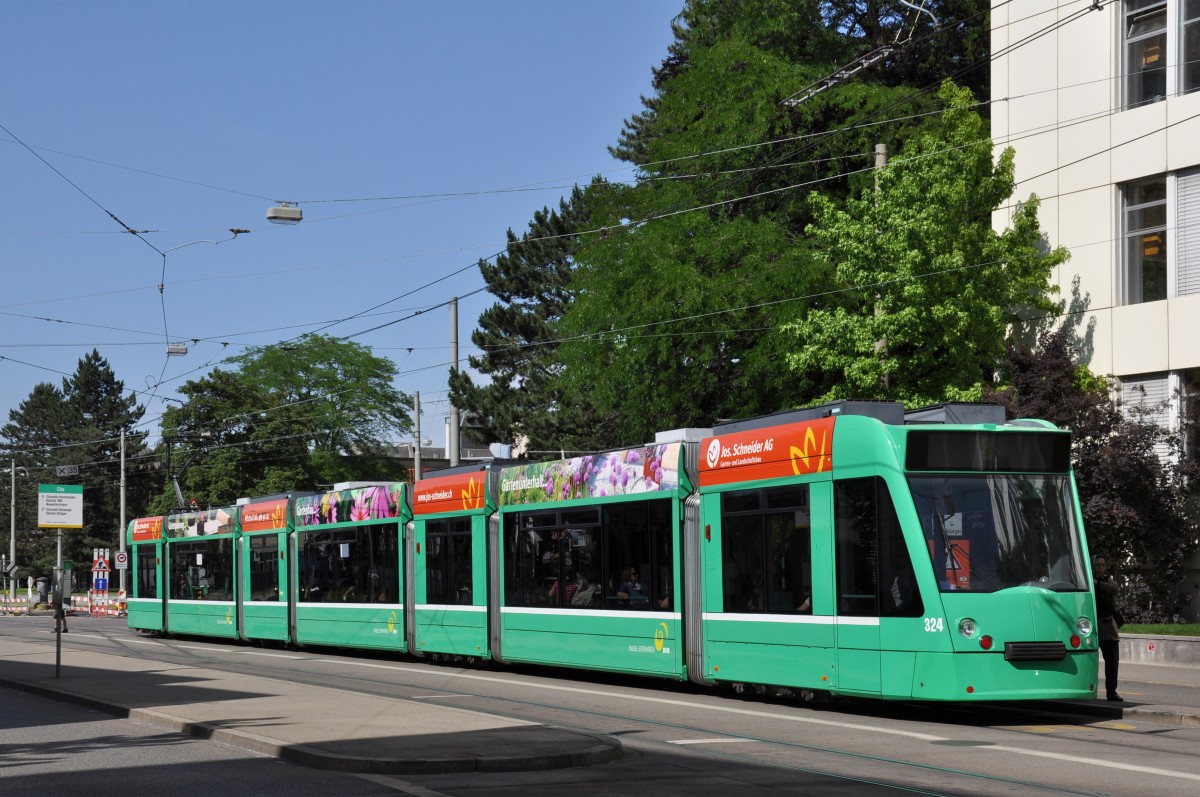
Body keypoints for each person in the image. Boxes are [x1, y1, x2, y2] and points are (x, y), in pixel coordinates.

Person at [1092, 554, 1121, 702]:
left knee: (1112, 661)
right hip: (1091, 626)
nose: (1100, 568)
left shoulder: (1105, 581)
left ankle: (1112, 692)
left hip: (1107, 626)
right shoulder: (1086, 581)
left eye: (1103, 565)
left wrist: (1097, 583)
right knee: (1089, 661)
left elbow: (1115, 589)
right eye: (1098, 565)